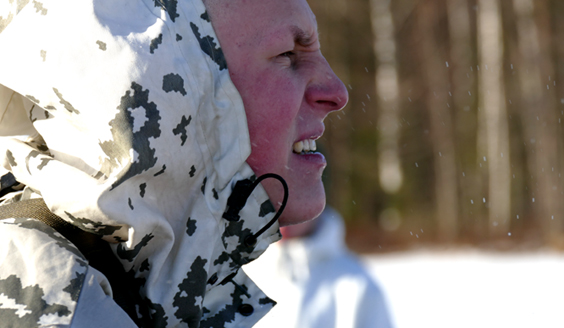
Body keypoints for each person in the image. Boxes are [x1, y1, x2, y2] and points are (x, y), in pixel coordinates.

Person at [0, 0, 347, 327]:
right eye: (288, 54)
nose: (336, 92)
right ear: (165, 83)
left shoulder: (128, 287)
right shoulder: (52, 299)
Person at [244, 206, 393, 328]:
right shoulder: (236, 279)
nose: (279, 204)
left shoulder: (358, 288)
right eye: (268, 190)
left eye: (292, 188)